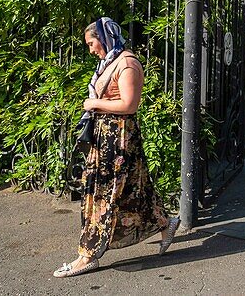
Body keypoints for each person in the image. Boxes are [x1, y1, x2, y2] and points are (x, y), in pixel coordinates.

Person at [53, 17, 179, 279]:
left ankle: (88, 254)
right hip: (106, 137)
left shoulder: (127, 63)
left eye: (92, 43)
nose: (90, 49)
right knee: (132, 188)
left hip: (119, 138)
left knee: (104, 193)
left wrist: (92, 104)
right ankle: (165, 223)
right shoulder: (109, 63)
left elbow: (129, 105)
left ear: (104, 36)